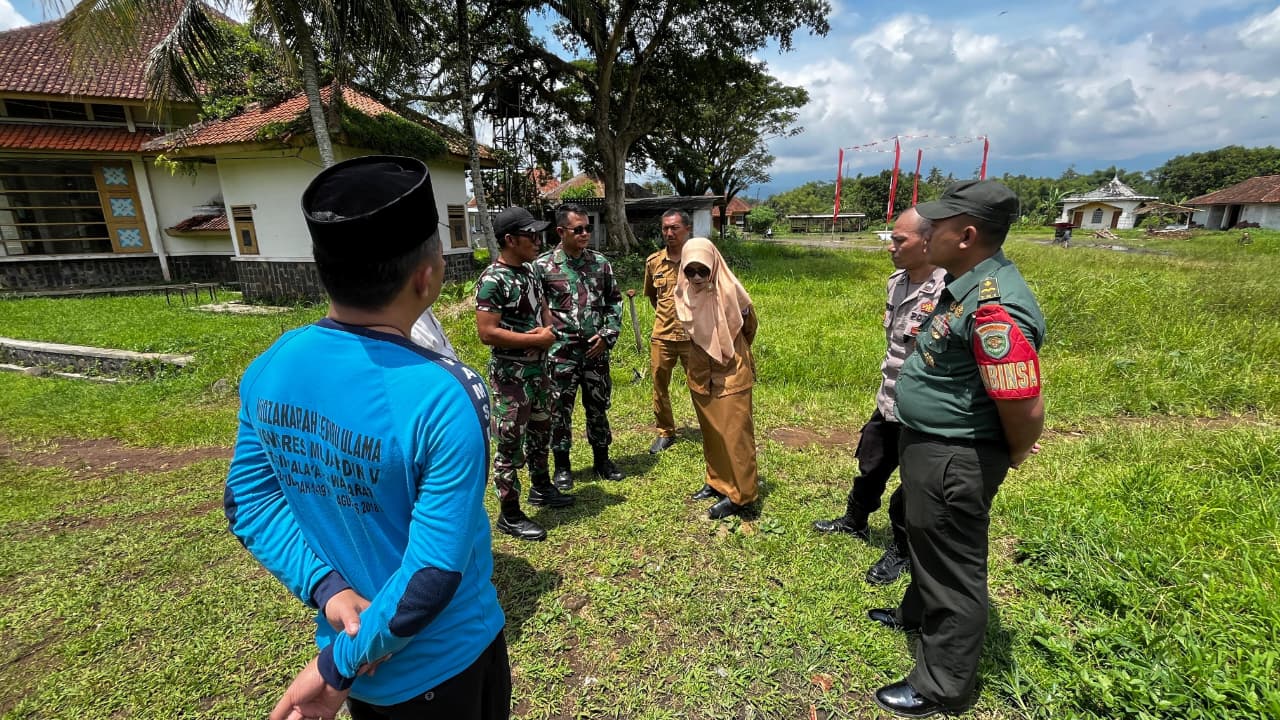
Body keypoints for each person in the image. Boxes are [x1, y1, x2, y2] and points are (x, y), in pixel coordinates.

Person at [224, 155, 509, 720]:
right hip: (446, 661)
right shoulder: (444, 395)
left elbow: (247, 501)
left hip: (361, 666)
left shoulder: (272, 367)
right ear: (426, 275)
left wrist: (326, 589)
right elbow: (432, 576)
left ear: (321, 266)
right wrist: (336, 670)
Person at [868, 180, 1045, 718]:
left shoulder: (995, 307)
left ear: (966, 235)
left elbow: (1023, 406)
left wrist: (1010, 454)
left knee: (954, 568)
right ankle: (916, 614)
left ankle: (943, 685)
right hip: (932, 447)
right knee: (927, 540)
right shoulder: (965, 285)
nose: (926, 233)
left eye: (938, 225)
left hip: (955, 455)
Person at [812, 207, 946, 586]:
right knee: (871, 463)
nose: (891, 246)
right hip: (888, 396)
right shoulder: (896, 282)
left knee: (913, 483)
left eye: (900, 240)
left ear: (927, 242)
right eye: (891, 238)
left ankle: (902, 549)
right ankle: (855, 520)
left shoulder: (948, 290)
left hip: (923, 407)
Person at [475, 206, 572, 542]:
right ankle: (510, 513)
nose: (537, 239)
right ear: (509, 239)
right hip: (511, 378)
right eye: (530, 234)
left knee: (542, 430)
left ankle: (542, 487)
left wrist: (548, 331)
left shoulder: (530, 272)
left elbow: (543, 308)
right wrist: (534, 338)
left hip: (539, 372)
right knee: (510, 443)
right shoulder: (492, 280)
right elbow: (487, 332)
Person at [533, 203, 625, 489]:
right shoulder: (543, 267)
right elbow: (537, 310)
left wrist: (608, 334)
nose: (586, 233)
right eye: (579, 229)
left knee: (598, 406)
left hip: (595, 351)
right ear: (561, 231)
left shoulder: (600, 264)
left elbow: (614, 301)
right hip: (560, 354)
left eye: (588, 228)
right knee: (560, 410)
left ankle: (602, 460)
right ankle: (562, 466)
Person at [675, 237, 760, 520]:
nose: (697, 277)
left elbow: (748, 328)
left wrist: (729, 348)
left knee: (735, 434)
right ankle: (717, 481)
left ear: (714, 266)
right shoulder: (683, 293)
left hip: (731, 367)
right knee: (711, 431)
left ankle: (742, 495)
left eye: (703, 270)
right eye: (691, 271)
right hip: (700, 370)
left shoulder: (732, 292)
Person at [641, 208, 694, 453]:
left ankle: (711, 427)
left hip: (693, 337)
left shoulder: (700, 260)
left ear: (688, 229)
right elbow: (653, 296)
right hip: (662, 335)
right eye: (665, 228)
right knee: (659, 385)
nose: (669, 233)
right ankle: (665, 431)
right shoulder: (653, 262)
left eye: (675, 228)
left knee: (701, 385)